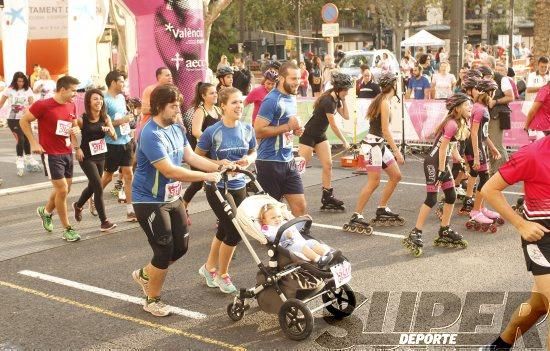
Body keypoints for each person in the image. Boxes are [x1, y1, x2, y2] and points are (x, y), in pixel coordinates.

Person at [131, 84, 223, 317]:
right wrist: (206, 176)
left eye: (178, 106)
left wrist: (221, 166)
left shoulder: (176, 128)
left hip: (172, 197)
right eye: (173, 107)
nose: (177, 111)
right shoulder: (150, 134)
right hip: (149, 200)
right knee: (163, 249)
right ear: (160, 106)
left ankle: (145, 274)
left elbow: (190, 157)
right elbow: (171, 171)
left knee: (180, 248)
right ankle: (152, 299)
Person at [480, 133, 550, 351]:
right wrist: (521, 225)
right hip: (541, 237)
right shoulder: (533, 154)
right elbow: (489, 189)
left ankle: (500, 346)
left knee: (538, 305)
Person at [197, 87, 256, 294]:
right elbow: (196, 159)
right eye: (234, 102)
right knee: (234, 230)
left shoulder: (248, 129)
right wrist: (218, 163)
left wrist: (248, 159)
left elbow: (253, 151)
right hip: (217, 187)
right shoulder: (212, 132)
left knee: (224, 228)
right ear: (222, 106)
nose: (239, 106)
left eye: (241, 102)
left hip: (239, 185)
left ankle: (208, 268)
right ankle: (223, 275)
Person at [404, 93, 471, 256]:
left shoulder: (458, 123)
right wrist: (441, 170)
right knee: (432, 198)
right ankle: (416, 232)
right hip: (433, 163)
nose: (470, 108)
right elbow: (442, 148)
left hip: (441, 162)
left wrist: (460, 160)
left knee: (451, 196)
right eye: (467, 105)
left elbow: (452, 147)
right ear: (458, 108)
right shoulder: (452, 124)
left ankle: (444, 229)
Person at [19, 76, 81, 242]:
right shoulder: (43, 105)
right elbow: (23, 121)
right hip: (50, 153)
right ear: (62, 89)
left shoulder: (71, 104)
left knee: (65, 189)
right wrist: (33, 143)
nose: (76, 94)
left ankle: (45, 212)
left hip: (67, 151)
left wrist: (77, 144)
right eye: (73, 90)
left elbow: (73, 126)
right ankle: (67, 229)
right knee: (62, 190)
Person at [343, 72, 405, 233]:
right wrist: (397, 152)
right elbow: (385, 129)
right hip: (373, 146)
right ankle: (357, 215)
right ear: (393, 85)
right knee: (374, 182)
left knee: (396, 176)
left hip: (379, 145)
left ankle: (382, 208)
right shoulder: (383, 102)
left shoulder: (383, 100)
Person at [254, 62, 307, 216]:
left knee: (300, 207)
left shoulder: (291, 97)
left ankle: (299, 238)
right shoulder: (272, 100)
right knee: (270, 214)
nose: (297, 82)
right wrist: (287, 127)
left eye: (298, 78)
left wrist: (296, 130)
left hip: (288, 160)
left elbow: (288, 125)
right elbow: (258, 131)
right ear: (282, 79)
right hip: (269, 162)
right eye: (293, 78)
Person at [299, 72, 352, 211]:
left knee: (328, 165)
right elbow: (333, 125)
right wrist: (344, 141)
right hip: (309, 134)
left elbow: (346, 116)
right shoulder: (328, 101)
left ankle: (327, 196)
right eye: (345, 90)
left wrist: (344, 99)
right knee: (300, 167)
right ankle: (285, 191)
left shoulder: (337, 99)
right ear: (338, 88)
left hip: (320, 135)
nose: (347, 92)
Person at [459, 78, 502, 230]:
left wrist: (493, 147)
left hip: (479, 144)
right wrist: (477, 155)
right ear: (488, 92)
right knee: (484, 177)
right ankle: (476, 210)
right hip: (474, 146)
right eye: (493, 92)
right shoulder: (479, 108)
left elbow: (483, 134)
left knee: (484, 176)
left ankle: (481, 208)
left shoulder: (481, 107)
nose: (494, 95)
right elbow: (474, 132)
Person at [72, 89, 117, 232]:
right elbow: (72, 133)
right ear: (89, 102)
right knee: (98, 186)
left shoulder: (105, 117)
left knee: (92, 186)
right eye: (95, 99)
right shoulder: (82, 119)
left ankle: (78, 205)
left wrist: (110, 131)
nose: (99, 102)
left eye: (100, 99)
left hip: (100, 155)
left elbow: (114, 136)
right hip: (86, 157)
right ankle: (104, 221)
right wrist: (77, 148)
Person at [100, 70, 136, 222]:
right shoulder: (104, 100)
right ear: (113, 82)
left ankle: (130, 210)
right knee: (108, 177)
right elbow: (102, 124)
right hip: (111, 143)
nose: (123, 84)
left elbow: (122, 117)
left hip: (125, 141)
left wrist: (128, 120)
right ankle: (92, 196)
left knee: (128, 175)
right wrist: (121, 122)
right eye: (121, 81)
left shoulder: (121, 97)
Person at [181, 82, 221, 212]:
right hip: (200, 153)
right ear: (203, 96)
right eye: (211, 93)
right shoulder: (200, 111)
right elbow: (195, 131)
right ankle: (183, 206)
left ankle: (222, 215)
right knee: (197, 183)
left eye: (216, 92)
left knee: (218, 182)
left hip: (214, 152)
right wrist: (211, 140)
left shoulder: (218, 110)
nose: (215, 95)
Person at [259, 204, 332, 266]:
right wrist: (285, 235)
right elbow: (272, 238)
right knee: (303, 247)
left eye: (279, 216)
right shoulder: (267, 229)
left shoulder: (284, 222)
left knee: (312, 242)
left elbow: (295, 228)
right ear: (264, 221)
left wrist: (303, 220)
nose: (277, 219)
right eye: (273, 218)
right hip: (287, 247)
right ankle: (319, 260)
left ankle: (327, 254)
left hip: (298, 241)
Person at [0, 71, 39, 176]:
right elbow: (1, 102)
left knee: (27, 138)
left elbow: (32, 104)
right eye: (18, 81)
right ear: (15, 81)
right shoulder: (9, 90)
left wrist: (29, 110)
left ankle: (29, 157)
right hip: (12, 118)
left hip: (25, 118)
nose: (20, 83)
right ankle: (19, 159)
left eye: (22, 81)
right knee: (20, 138)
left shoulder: (28, 90)